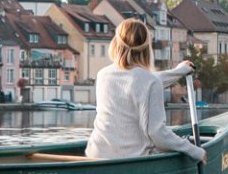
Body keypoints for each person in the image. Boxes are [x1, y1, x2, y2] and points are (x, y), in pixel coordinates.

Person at [86, 18, 206, 163]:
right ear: (146, 48)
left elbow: (139, 82)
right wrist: (195, 151)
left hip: (95, 155)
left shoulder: (103, 75)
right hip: (130, 160)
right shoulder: (149, 81)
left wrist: (179, 71)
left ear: (116, 43)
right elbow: (158, 135)